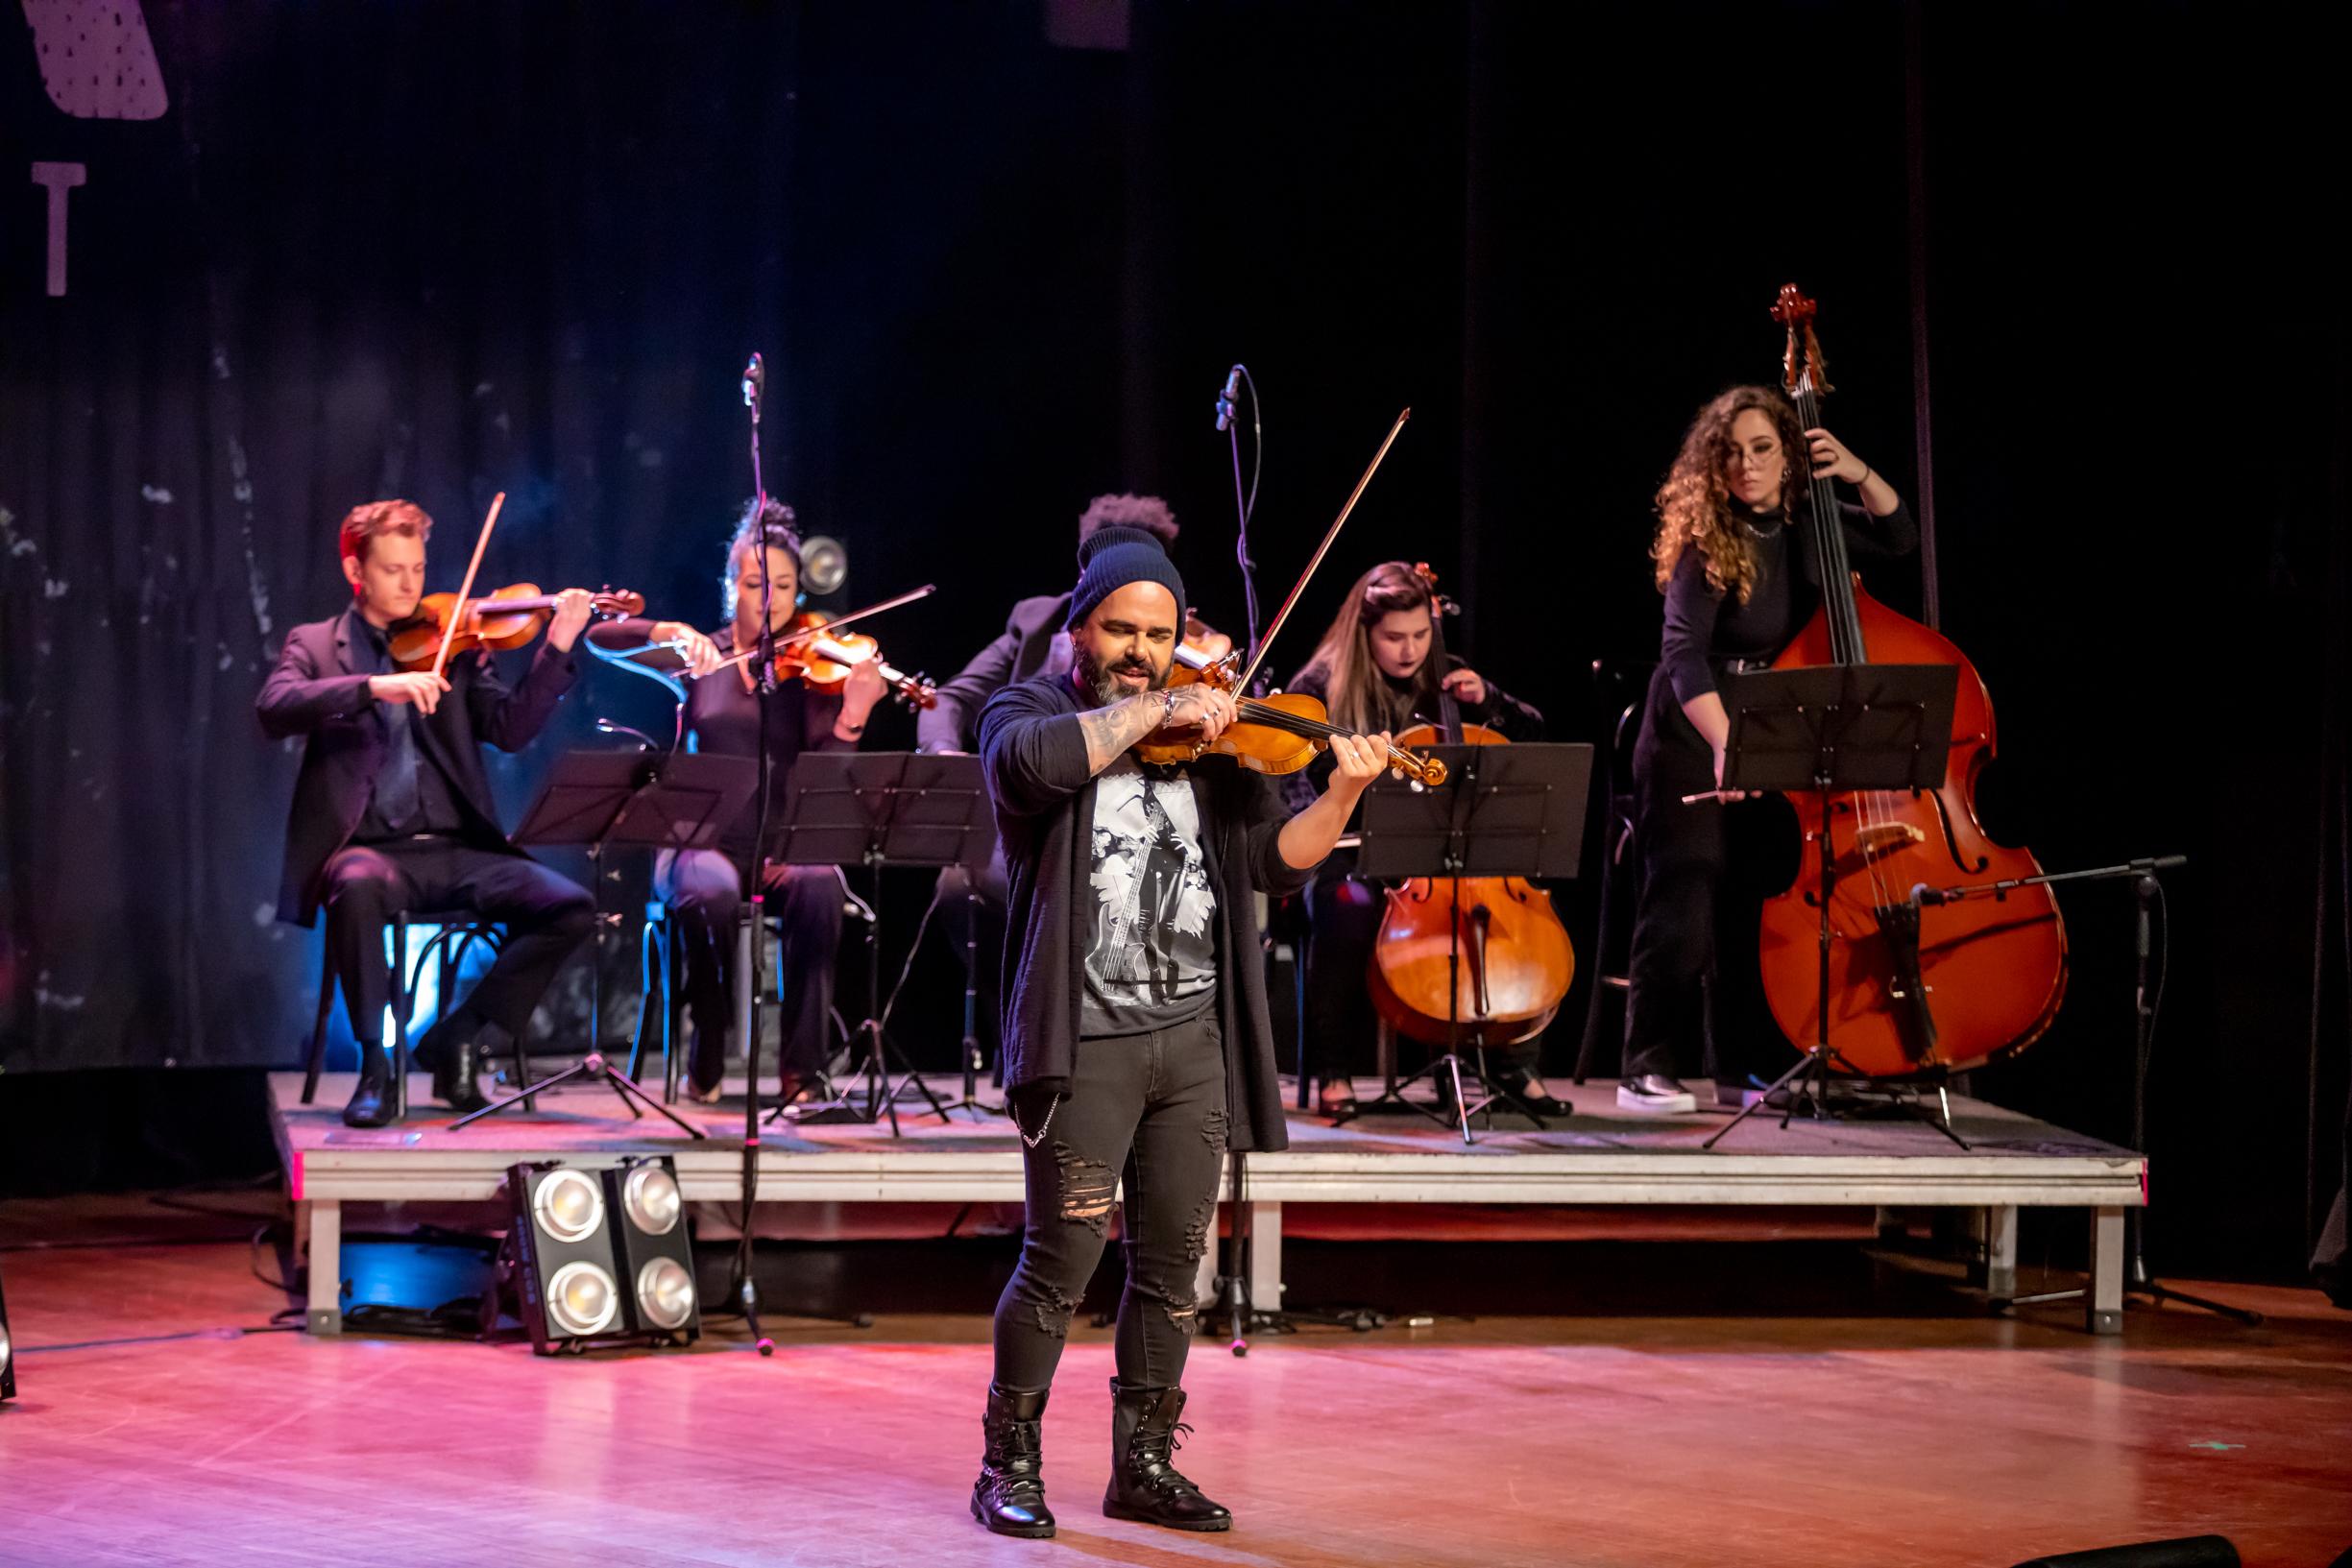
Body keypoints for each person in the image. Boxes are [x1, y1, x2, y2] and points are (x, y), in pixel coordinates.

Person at [968, 524, 1384, 1539]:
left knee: (1172, 1266)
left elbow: (1272, 863)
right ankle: (1006, 1461)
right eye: (1121, 629)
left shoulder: (1214, 746)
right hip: (1085, 1044)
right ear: (1080, 629)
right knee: (1059, 1263)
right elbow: (1025, 767)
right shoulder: (1030, 710)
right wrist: (1160, 705)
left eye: (1159, 635)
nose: (1140, 650)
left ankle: (1143, 1463)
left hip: (1191, 1042)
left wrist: (1341, 789)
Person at [1619, 385, 1915, 1113]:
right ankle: (1644, 1063)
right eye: (1731, 451)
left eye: (1761, 449)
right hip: (1694, 724)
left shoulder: (1809, 523)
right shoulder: (1704, 542)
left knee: (1758, 892)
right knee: (1689, 881)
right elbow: (1682, 656)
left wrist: (1854, 469)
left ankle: (1744, 1064)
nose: (1747, 465)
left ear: (1788, 456)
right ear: (1712, 464)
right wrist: (1725, 744)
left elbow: (1900, 537)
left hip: (1769, 714)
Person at [257, 499, 596, 1128]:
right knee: (355, 885)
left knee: (570, 905)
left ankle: (459, 1034)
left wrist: (556, 647)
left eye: (417, 567)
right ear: (355, 571)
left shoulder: (457, 641)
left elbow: (511, 728)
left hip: (456, 845)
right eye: (393, 570)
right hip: (369, 849)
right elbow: (274, 705)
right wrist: (374, 687)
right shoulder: (315, 644)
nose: (412, 584)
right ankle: (374, 1069)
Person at [915, 494, 1230, 1081]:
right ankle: (1018, 1023)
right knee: (959, 888)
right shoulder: (1037, 619)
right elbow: (951, 698)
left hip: (1128, 824)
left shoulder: (1180, 646)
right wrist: (948, 755)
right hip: (1035, 809)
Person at [586, 500, 885, 1103]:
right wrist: (667, 632)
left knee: (822, 883)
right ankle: (710, 1034)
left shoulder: (815, 662)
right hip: (700, 842)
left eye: (782, 585)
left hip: (781, 843)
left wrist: (852, 716)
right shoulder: (702, 655)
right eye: (754, 585)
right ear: (731, 588)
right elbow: (600, 639)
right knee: (712, 893)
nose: (769, 599)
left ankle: (802, 1065)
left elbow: (829, 780)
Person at [1282, 561, 1549, 1118]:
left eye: (1421, 636)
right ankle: (1336, 1068)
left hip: (1438, 861)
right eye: (1394, 638)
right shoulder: (1320, 687)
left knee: (1497, 921)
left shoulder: (1450, 679)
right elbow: (1288, 783)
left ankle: (1509, 1065)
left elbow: (1530, 738)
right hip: (1350, 859)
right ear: (1365, 633)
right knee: (1347, 908)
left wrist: (1490, 701)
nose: (1410, 651)